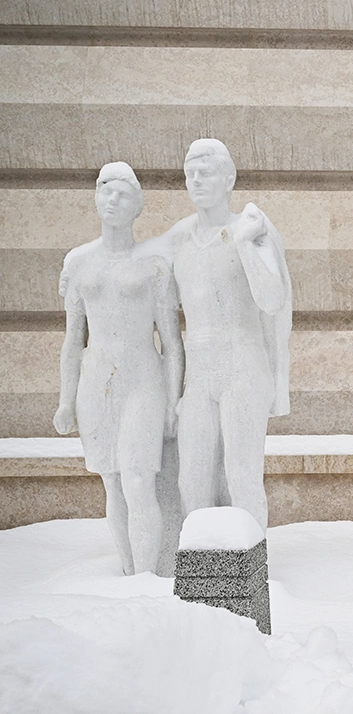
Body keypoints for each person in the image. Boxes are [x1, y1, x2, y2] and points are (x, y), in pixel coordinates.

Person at [54, 162, 185, 575]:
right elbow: (72, 341)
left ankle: (145, 577)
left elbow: (172, 343)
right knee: (112, 481)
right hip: (96, 382)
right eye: (105, 190)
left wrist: (173, 402)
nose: (112, 200)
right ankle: (128, 572)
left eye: (123, 194)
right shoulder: (78, 261)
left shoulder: (154, 264)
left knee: (138, 479)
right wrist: (65, 401)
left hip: (143, 381)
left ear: (138, 206)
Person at [159, 138, 292, 533]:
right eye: (190, 174)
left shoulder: (251, 227)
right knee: (192, 480)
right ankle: (203, 563)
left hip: (243, 364)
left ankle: (250, 563)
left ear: (229, 178)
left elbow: (272, 299)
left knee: (241, 475)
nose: (196, 180)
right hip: (200, 374)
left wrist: (245, 244)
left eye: (206, 172)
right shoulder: (179, 238)